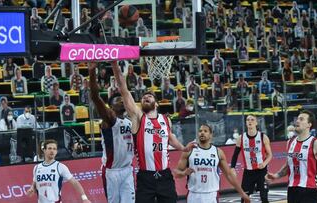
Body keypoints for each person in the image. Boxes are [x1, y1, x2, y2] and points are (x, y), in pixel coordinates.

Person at [111, 61, 195, 203]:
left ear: (156, 104)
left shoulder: (165, 120)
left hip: (165, 175)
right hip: (146, 177)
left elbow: (171, 138)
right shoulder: (138, 117)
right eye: (144, 97)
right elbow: (124, 90)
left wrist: (183, 148)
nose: (146, 97)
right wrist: (115, 65)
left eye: (149, 97)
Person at [89, 62, 135, 203]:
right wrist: (92, 72)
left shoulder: (130, 121)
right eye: (118, 100)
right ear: (111, 106)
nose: (122, 101)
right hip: (112, 172)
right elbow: (95, 97)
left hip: (127, 169)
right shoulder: (110, 119)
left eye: (122, 100)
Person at [174, 124, 250, 203]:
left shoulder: (218, 152)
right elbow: (176, 173)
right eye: (200, 131)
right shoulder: (190, 150)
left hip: (211, 194)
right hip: (194, 194)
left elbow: (229, 175)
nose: (202, 133)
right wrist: (184, 173)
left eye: (205, 131)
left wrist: (242, 193)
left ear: (211, 135)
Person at [266, 110, 317, 203]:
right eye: (297, 119)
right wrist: (276, 175)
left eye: (301, 119)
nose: (297, 121)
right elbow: (288, 165)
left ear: (309, 124)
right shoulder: (290, 142)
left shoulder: (316, 143)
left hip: (310, 189)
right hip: (292, 189)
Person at [26, 139, 91, 203]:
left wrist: (84, 198)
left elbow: (75, 182)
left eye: (54, 149)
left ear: (56, 151)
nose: (52, 151)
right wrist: (32, 188)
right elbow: (35, 182)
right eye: (50, 148)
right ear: (44, 150)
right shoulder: (37, 167)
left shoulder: (60, 167)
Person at [230, 114, 273, 203]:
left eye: (252, 120)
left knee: (264, 197)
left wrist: (264, 164)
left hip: (261, 171)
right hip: (248, 172)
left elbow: (270, 155)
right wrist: (232, 168)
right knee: (244, 198)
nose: (250, 121)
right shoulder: (241, 138)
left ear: (256, 123)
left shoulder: (263, 137)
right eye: (248, 120)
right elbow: (235, 155)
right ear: (246, 123)